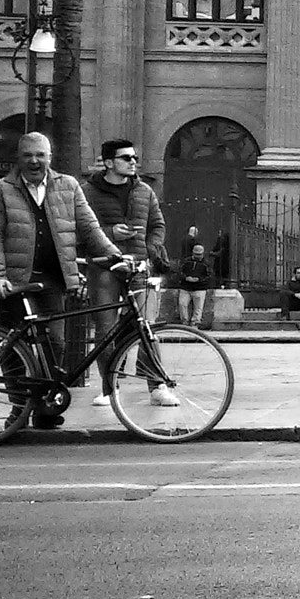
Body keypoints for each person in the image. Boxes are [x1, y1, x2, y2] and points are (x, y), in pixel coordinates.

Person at [0, 132, 125, 427]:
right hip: (15, 280)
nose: (35, 161)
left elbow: (89, 227)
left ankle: (44, 407)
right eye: (27, 155)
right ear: (18, 158)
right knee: (13, 346)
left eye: (40, 155)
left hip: (52, 279)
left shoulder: (68, 186)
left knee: (54, 344)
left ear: (50, 157)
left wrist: (114, 256)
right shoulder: (1, 189)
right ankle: (18, 408)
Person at [81, 140, 169, 405]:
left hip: (139, 266)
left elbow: (158, 225)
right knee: (105, 330)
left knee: (148, 327)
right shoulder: (88, 192)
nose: (133, 162)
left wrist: (149, 247)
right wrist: (110, 234)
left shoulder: (144, 191)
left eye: (135, 157)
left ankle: (157, 385)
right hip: (104, 267)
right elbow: (80, 229)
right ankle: (110, 388)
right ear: (108, 162)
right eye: (126, 158)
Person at [177, 244, 214, 329]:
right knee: (182, 304)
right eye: (196, 254)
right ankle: (185, 322)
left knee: (198, 308)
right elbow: (179, 272)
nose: (198, 256)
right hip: (186, 287)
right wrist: (186, 278)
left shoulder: (206, 263)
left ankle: (195, 323)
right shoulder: (186, 261)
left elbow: (209, 276)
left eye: (199, 254)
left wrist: (199, 279)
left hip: (199, 287)